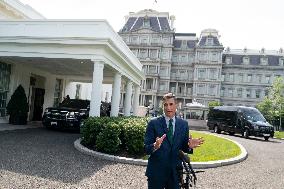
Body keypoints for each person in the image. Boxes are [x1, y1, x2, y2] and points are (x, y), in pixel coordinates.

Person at [144, 93, 204, 189]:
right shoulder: (153, 123)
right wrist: (155, 146)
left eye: (171, 104)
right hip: (156, 172)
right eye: (165, 105)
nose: (168, 107)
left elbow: (183, 147)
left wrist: (189, 146)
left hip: (175, 174)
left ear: (176, 105)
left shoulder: (183, 124)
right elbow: (146, 149)